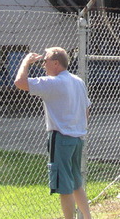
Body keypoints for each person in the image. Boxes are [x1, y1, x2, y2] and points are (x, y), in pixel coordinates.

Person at [14, 47, 92, 219]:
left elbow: (20, 82)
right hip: (77, 139)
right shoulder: (78, 81)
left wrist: (25, 62)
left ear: (56, 63)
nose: (43, 64)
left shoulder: (54, 82)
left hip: (61, 139)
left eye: (45, 60)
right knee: (76, 183)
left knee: (64, 186)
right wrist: (76, 126)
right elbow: (86, 109)